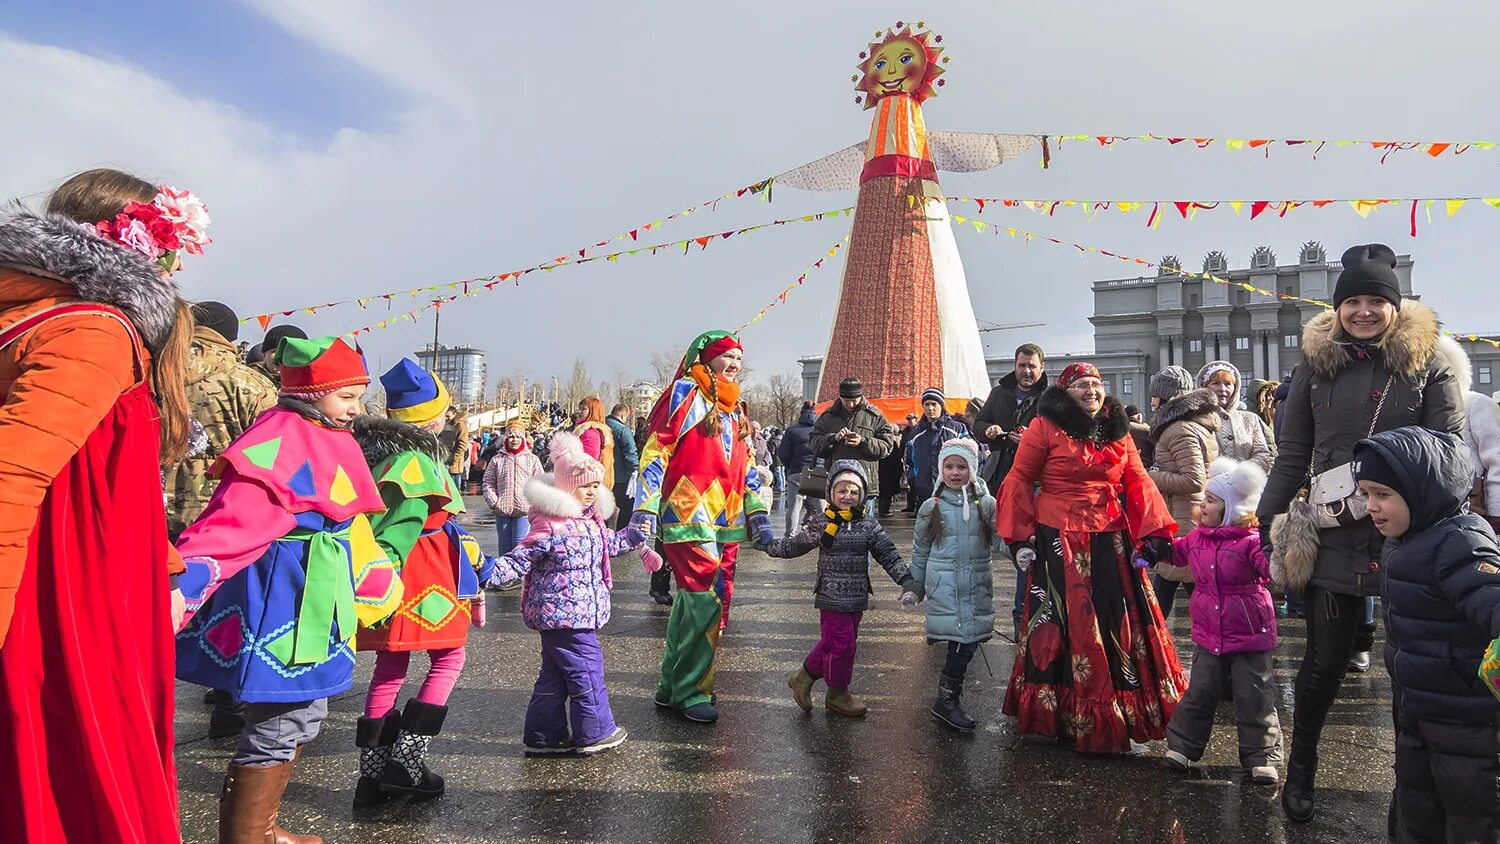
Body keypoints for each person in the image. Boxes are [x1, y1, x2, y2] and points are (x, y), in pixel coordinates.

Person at [0, 170, 206, 842]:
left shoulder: (39, 314)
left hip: (88, 577)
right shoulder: (94, 329)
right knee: (77, 772)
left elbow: (92, 474)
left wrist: (160, 552)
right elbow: (12, 478)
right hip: (65, 604)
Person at [1257, 243, 1464, 824]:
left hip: (1408, 533)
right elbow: (1293, 451)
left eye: (1377, 300)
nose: (1365, 311)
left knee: (1410, 665)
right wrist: (1266, 525)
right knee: (1322, 665)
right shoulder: (1314, 367)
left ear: (1395, 307)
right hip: (1331, 532)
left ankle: (1413, 787)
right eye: (1354, 301)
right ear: (1339, 306)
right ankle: (1301, 772)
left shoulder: (1430, 364)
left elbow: (1450, 451)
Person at [175, 336, 403, 843]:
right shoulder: (280, 442)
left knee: (302, 713)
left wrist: (374, 581)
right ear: (312, 391)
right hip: (286, 603)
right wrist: (179, 586)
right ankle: (250, 838)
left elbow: (347, 522)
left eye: (359, 396)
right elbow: (229, 526)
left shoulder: (321, 430)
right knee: (282, 719)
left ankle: (266, 829)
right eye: (346, 396)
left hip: (314, 600)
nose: (356, 409)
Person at [997, 362, 1186, 754]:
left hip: (1108, 537)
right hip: (1058, 537)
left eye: (1096, 385)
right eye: (1082, 386)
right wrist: (1020, 537)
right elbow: (1018, 479)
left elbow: (1136, 479)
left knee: (1116, 620)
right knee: (1064, 623)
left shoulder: (1119, 430)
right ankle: (1066, 713)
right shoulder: (1044, 427)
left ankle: (1119, 709)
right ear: (1067, 393)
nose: (1091, 392)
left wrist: (1154, 533)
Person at [352, 360, 491, 807]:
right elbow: (407, 526)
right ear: (430, 417)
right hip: (422, 571)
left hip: (392, 572)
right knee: (449, 657)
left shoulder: (382, 453)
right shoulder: (417, 462)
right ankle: (407, 761)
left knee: (390, 665)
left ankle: (372, 775)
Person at [1352, 426, 1500, 843]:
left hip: (1466, 721)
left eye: (1382, 494)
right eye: (1366, 493)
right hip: (1416, 707)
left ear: (1422, 490)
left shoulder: (1458, 542)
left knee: (1472, 816)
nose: (1372, 507)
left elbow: (1491, 598)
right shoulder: (1404, 539)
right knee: (1416, 807)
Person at [630, 330, 772, 724]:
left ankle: (671, 685)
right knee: (703, 598)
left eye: (739, 360)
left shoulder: (735, 406)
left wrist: (756, 510)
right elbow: (657, 449)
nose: (735, 365)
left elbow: (745, 466)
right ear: (707, 359)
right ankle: (692, 691)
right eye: (727, 357)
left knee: (691, 601)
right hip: (687, 509)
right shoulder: (685, 394)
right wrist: (645, 506)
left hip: (724, 516)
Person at [485, 432, 653, 755]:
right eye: (584, 486)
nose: (591, 493)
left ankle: (543, 735)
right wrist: (489, 573)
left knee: (554, 676)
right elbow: (521, 557)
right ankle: (595, 732)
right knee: (588, 669)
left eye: (595, 487)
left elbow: (606, 547)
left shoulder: (590, 522)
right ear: (565, 487)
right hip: (563, 615)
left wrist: (630, 537)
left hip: (575, 612)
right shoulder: (551, 525)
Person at [761, 460, 915, 717]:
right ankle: (837, 693)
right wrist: (767, 545)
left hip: (857, 596)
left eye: (854, 492)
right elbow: (796, 545)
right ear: (831, 492)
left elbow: (887, 553)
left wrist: (906, 579)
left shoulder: (868, 525)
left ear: (862, 495)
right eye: (842, 490)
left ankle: (803, 677)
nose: (848, 496)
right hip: (831, 596)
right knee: (842, 645)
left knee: (837, 643)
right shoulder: (823, 522)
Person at [1163, 458, 1282, 785]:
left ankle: (1261, 756)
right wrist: (1152, 550)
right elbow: (1176, 553)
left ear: (1233, 509)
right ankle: (1183, 746)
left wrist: (1280, 556)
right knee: (1200, 690)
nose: (1203, 505)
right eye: (1204, 499)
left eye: (1211, 501)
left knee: (1254, 694)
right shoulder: (1198, 538)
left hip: (1249, 633)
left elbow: (1272, 572)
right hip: (1209, 633)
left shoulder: (1252, 542)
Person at [905, 439, 999, 731]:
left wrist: (1023, 550)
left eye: (961, 467)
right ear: (940, 469)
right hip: (944, 585)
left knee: (967, 644)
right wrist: (914, 587)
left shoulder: (986, 504)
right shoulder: (930, 507)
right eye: (949, 467)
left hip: (975, 583)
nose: (955, 473)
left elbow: (999, 538)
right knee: (961, 644)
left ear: (973, 469)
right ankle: (947, 702)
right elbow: (920, 551)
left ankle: (946, 701)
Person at [1146, 386, 1221, 617]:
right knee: (1184, 584)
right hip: (1188, 514)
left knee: (1177, 584)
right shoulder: (1190, 424)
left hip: (1185, 517)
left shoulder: (1179, 428)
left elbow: (1193, 479)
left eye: (1155, 394)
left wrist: (1150, 475)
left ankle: (1150, 645)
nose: (1152, 400)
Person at [1435, 336, 1500, 532]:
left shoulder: (1476, 404)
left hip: (1475, 515)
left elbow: (1497, 459)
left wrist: (1496, 516)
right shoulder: (1410, 409)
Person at [811, 378, 900, 506]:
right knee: (836, 524)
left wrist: (863, 442)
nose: (850, 405)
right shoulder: (828, 417)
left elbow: (886, 446)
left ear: (861, 396)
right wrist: (833, 438)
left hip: (865, 484)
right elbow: (814, 444)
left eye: (854, 401)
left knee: (864, 524)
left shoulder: (874, 416)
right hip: (836, 485)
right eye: (846, 401)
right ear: (840, 397)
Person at [976, 343, 1048, 489]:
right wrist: (988, 429)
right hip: (997, 475)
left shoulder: (1050, 399)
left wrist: (1031, 441)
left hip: (1034, 479)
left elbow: (1057, 439)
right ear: (1015, 366)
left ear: (1042, 367)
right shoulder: (997, 393)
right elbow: (978, 423)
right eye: (1022, 365)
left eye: (1032, 366)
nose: (1026, 371)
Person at [1196, 361, 1274, 472]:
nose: (1222, 389)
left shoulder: (1250, 419)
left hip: (1247, 486)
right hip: (1210, 486)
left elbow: (1262, 453)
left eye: (1228, 384)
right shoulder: (1196, 419)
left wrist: (1241, 472)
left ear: (1235, 387)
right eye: (1216, 383)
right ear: (1204, 387)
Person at [904, 387, 971, 503]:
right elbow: (908, 460)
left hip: (954, 491)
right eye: (927, 404)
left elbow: (972, 455)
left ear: (941, 405)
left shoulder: (957, 429)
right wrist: (914, 480)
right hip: (925, 492)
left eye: (934, 404)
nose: (930, 408)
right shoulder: (915, 435)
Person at [777, 401, 818, 536]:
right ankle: (823, 534)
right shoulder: (820, 429)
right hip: (817, 471)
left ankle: (790, 535)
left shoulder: (791, 430)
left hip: (797, 470)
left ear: (801, 413)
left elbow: (782, 453)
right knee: (821, 506)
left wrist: (790, 467)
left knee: (794, 506)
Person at [606, 403, 640, 529]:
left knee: (604, 509)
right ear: (622, 415)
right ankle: (620, 536)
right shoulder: (622, 430)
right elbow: (630, 452)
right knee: (625, 509)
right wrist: (635, 469)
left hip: (604, 477)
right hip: (621, 478)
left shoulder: (602, 426)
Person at [573, 396, 615, 491]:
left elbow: (589, 460)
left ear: (593, 411)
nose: (579, 411)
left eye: (583, 409)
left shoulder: (590, 432)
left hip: (587, 483)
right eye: (580, 408)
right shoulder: (595, 430)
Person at [250, 323, 307, 389]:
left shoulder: (316, 388)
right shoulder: (246, 384)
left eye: (291, 352)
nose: (282, 357)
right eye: (276, 351)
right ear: (264, 355)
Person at [438, 405, 470, 492]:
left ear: (455, 414)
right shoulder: (451, 425)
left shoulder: (461, 425)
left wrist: (454, 458)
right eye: (445, 416)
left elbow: (462, 444)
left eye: (448, 416)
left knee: (453, 490)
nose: (446, 418)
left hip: (454, 463)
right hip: (448, 459)